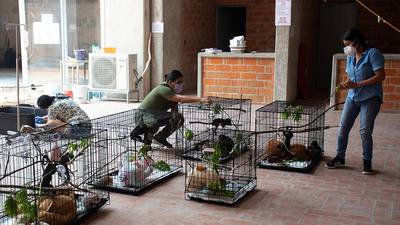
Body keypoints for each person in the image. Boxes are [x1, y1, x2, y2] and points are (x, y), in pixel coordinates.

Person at [325, 28, 385, 175]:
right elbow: (351, 77)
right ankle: (340, 157)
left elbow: (380, 76)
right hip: (353, 97)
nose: (346, 48)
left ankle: (367, 161)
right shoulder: (350, 57)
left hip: (370, 98)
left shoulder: (373, 54)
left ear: (357, 42)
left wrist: (357, 85)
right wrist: (346, 83)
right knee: (343, 126)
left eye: (347, 44)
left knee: (365, 131)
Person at [130, 69, 211, 148]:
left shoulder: (173, 93)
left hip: (154, 115)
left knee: (176, 118)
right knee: (175, 118)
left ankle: (152, 142)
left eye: (182, 82)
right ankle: (138, 131)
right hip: (143, 115)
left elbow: (174, 111)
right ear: (169, 82)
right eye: (178, 82)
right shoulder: (164, 89)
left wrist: (177, 124)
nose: (181, 84)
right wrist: (201, 99)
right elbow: (180, 99)